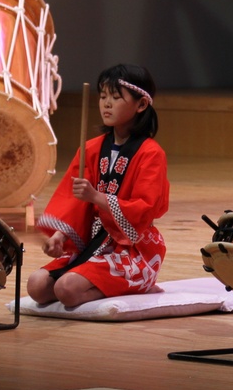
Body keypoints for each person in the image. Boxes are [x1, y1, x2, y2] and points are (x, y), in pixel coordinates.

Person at [27, 64, 169, 307]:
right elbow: (74, 202)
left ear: (141, 105)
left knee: (66, 289)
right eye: (103, 96)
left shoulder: (150, 153)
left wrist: (97, 197)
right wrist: (60, 237)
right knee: (37, 286)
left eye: (115, 97)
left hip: (132, 247)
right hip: (94, 242)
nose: (106, 104)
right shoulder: (91, 149)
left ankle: (138, 285)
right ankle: (94, 283)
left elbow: (145, 209)